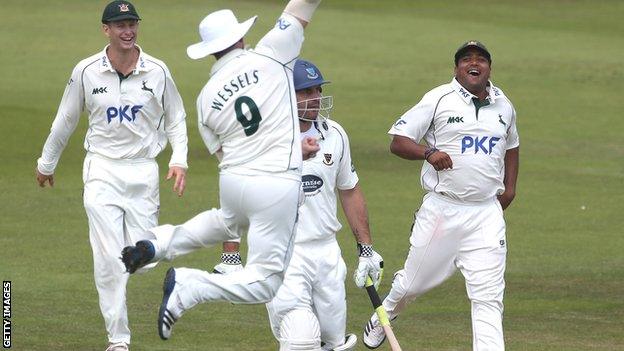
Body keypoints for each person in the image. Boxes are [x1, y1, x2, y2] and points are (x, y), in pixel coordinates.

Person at [118, 1, 351, 346]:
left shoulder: (205, 98)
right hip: (276, 184)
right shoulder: (271, 54)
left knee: (226, 221)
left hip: (236, 182)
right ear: (240, 38)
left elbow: (228, 151)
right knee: (265, 282)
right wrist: (290, 152)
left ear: (211, 51)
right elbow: (301, 8)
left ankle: (157, 243)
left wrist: (285, 149)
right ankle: (191, 286)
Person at [34, 1, 188, 350]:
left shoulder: (158, 71)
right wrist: (47, 163)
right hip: (101, 168)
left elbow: (176, 117)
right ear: (106, 29)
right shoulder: (87, 71)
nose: (127, 30)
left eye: (132, 23)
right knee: (107, 260)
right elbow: (66, 119)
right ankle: (118, 340)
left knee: (140, 259)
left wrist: (180, 159)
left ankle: (179, 277)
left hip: (143, 171)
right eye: (119, 25)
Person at [212, 59, 383, 351]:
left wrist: (365, 250)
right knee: (300, 336)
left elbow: (350, 190)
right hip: (282, 253)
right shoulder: (260, 140)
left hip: (327, 252)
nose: (314, 98)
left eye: (317, 90)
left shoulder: (335, 134)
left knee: (332, 340)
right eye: (304, 92)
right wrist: (231, 256)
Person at [362, 41, 519, 350]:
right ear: (456, 68)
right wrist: (428, 152)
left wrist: (510, 188)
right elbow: (398, 141)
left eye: (481, 59)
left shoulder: (504, 105)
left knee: (488, 296)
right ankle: (385, 313)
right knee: (412, 285)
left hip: (486, 214)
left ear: (489, 67)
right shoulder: (439, 99)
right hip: (443, 210)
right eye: (466, 60)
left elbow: (511, 145)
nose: (474, 63)